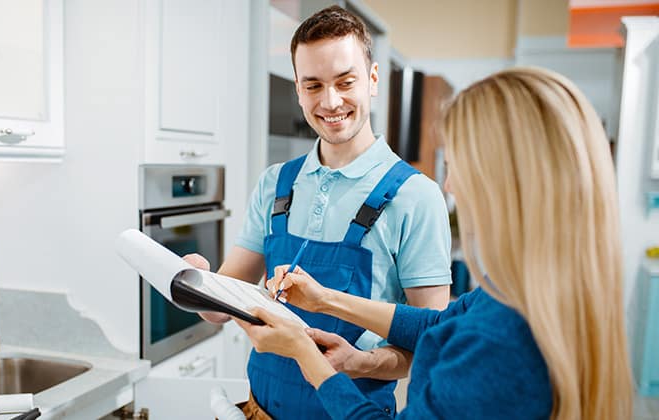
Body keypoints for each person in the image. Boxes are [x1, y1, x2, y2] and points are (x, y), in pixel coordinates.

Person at [235, 67, 634, 419]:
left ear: (506, 182)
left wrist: (306, 356)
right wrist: (325, 300)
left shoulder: (496, 345)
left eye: (459, 166)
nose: (450, 184)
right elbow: (438, 322)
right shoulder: (530, 291)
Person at [183, 5, 452, 419]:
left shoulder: (417, 197)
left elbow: (435, 342)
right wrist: (196, 284)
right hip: (257, 410)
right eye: (313, 86)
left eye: (346, 82)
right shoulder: (275, 183)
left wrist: (357, 363)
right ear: (297, 88)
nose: (330, 102)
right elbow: (222, 308)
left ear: (373, 79)